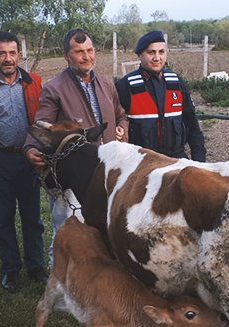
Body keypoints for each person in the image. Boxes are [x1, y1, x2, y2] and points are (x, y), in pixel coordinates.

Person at [23, 28, 128, 267]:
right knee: (67, 230)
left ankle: (97, 283)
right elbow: (42, 127)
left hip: (106, 170)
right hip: (72, 174)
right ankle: (60, 291)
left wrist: (121, 128)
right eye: (79, 52)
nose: (86, 56)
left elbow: (122, 115)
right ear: (65, 55)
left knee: (103, 228)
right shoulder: (55, 88)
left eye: (89, 50)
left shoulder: (106, 84)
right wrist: (29, 149)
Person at [0, 31, 48, 293]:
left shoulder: (35, 83)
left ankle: (36, 266)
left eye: (12, 52)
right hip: (0, 159)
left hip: (29, 159)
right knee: (3, 219)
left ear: (19, 54)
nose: (7, 58)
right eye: (2, 53)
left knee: (32, 218)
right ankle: (10, 270)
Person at [116, 30, 205, 161]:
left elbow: (193, 128)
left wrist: (200, 163)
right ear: (139, 55)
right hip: (140, 164)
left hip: (176, 161)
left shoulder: (177, 83)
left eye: (161, 52)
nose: (157, 58)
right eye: (151, 52)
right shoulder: (126, 86)